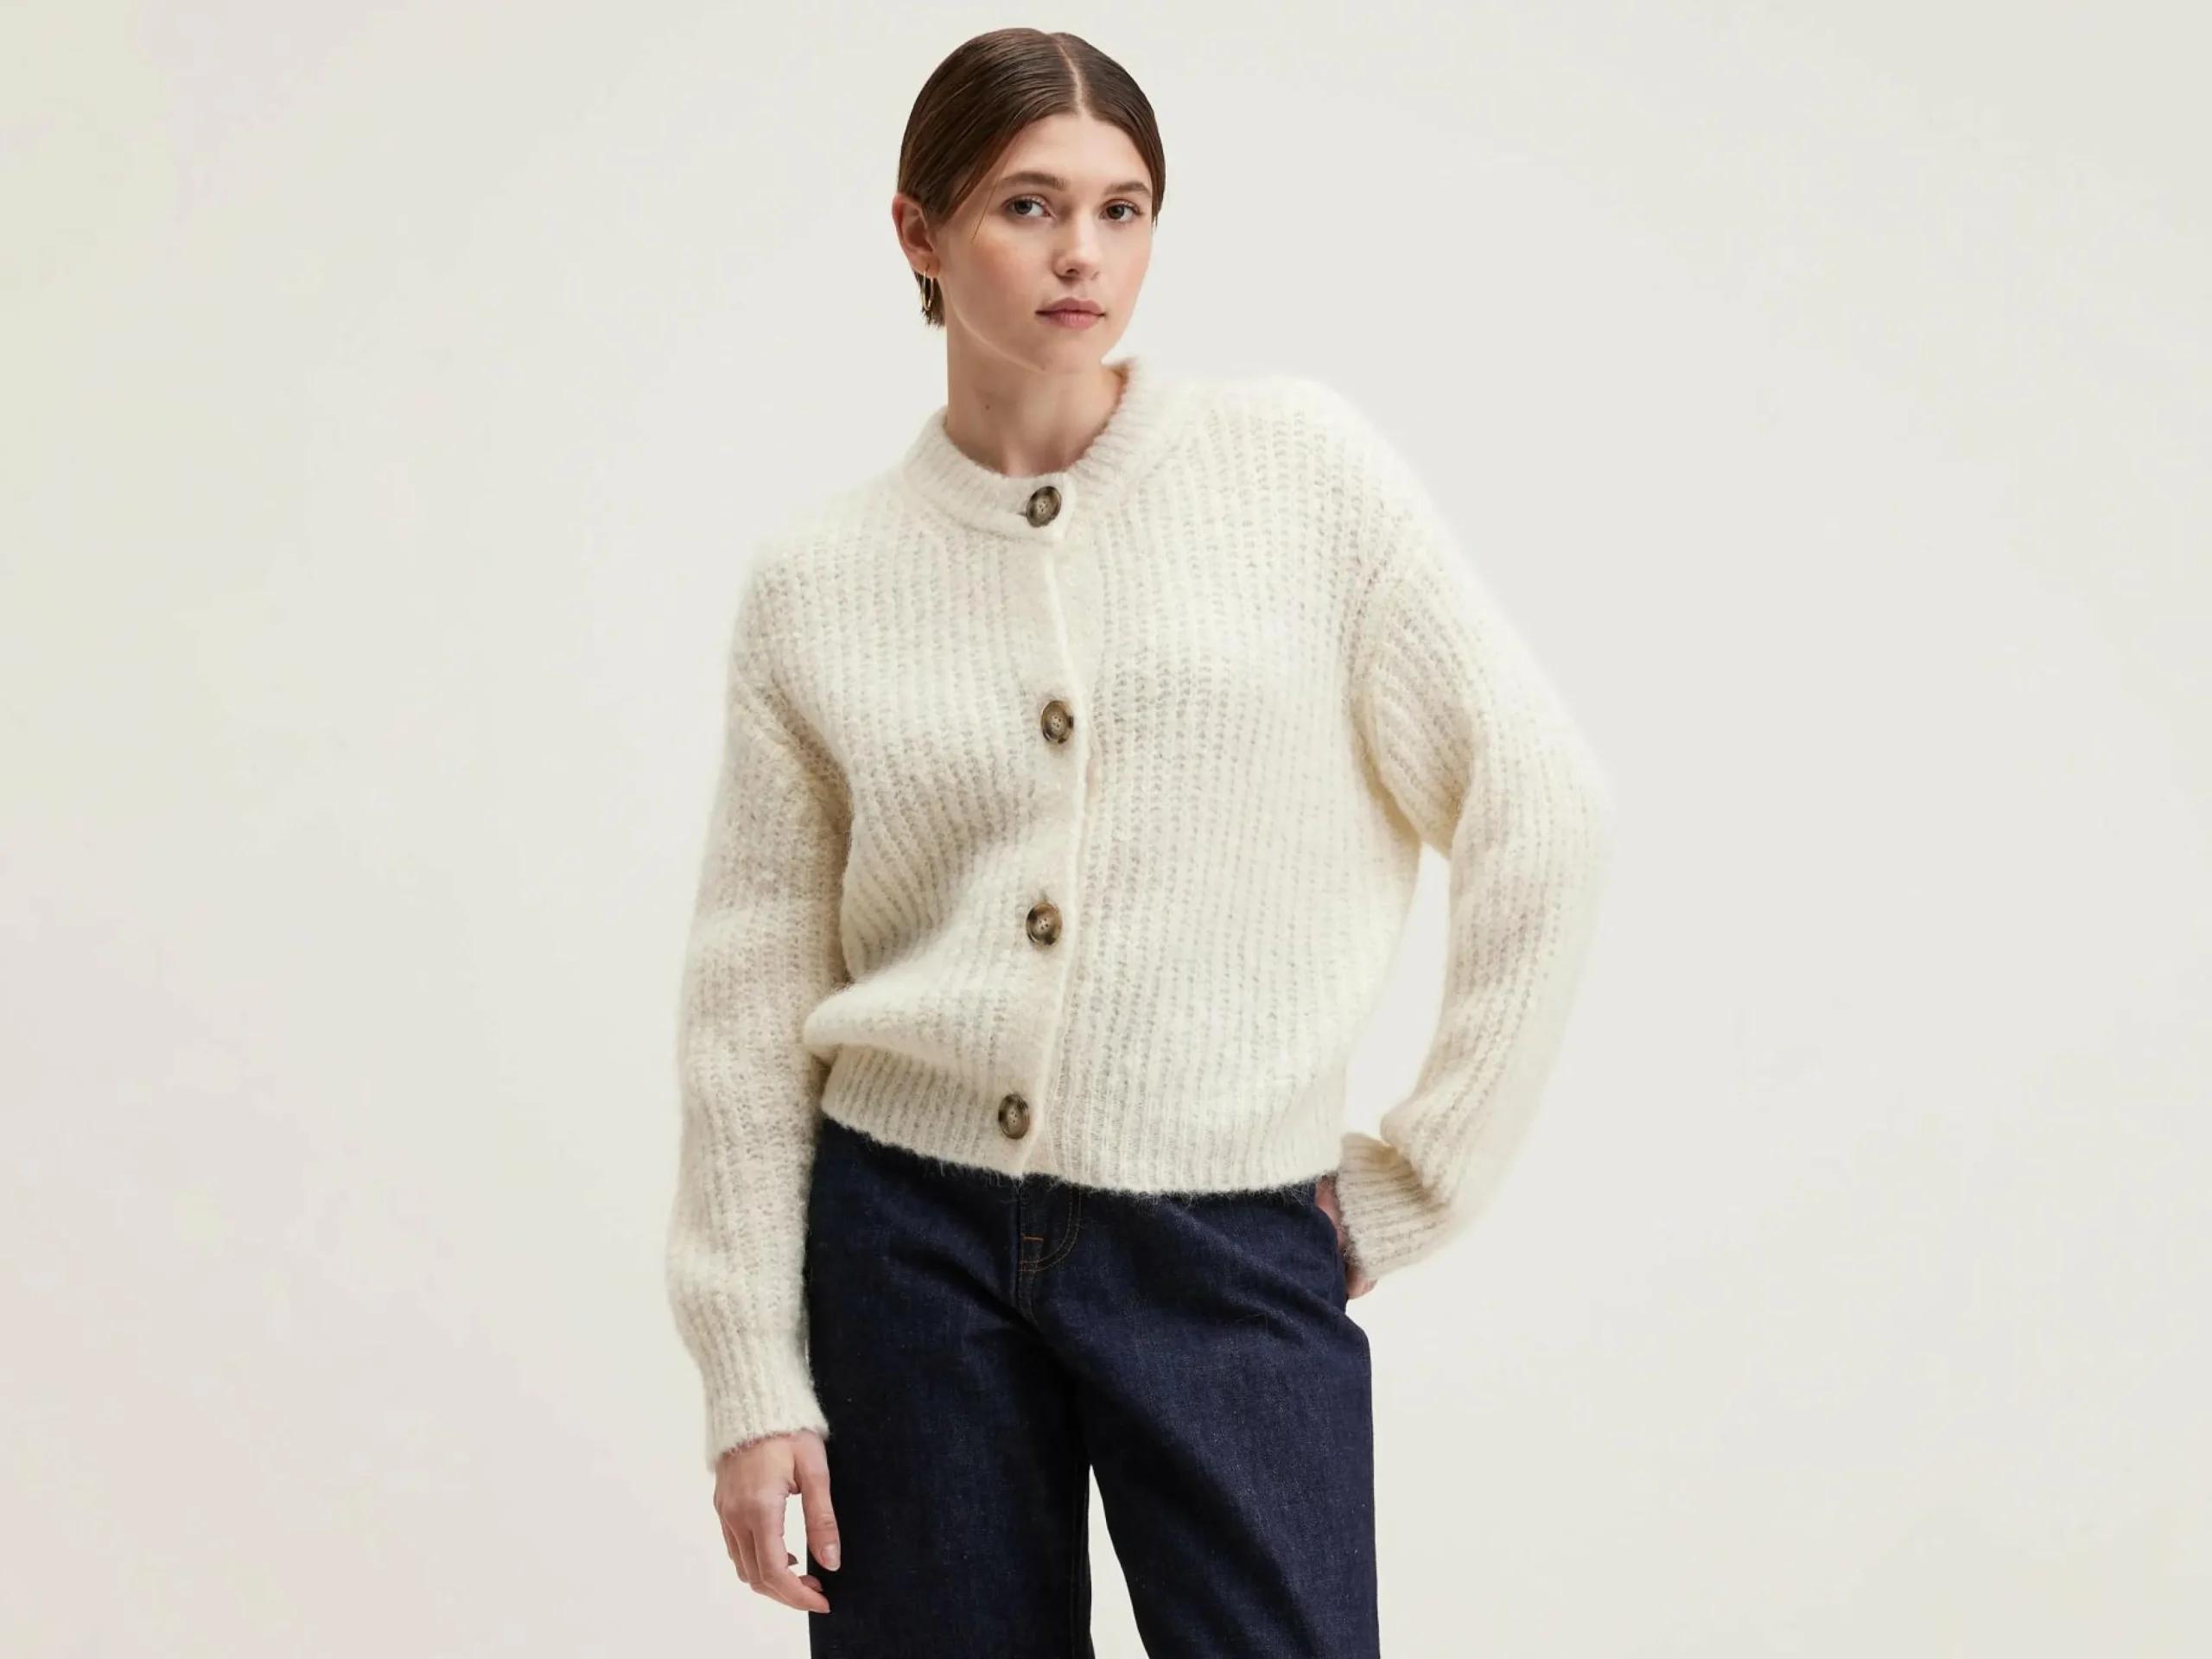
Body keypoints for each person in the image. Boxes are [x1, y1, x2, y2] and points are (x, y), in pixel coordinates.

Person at [664, 26, 1617, 1657]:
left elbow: (1543, 806)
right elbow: (749, 997)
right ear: (918, 232)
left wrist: (1414, 1182)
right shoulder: (820, 581)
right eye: (1029, 206)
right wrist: (752, 1373)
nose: (1083, 255)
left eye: (1123, 209)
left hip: (1219, 1234)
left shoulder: (1301, 476)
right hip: (904, 1245)